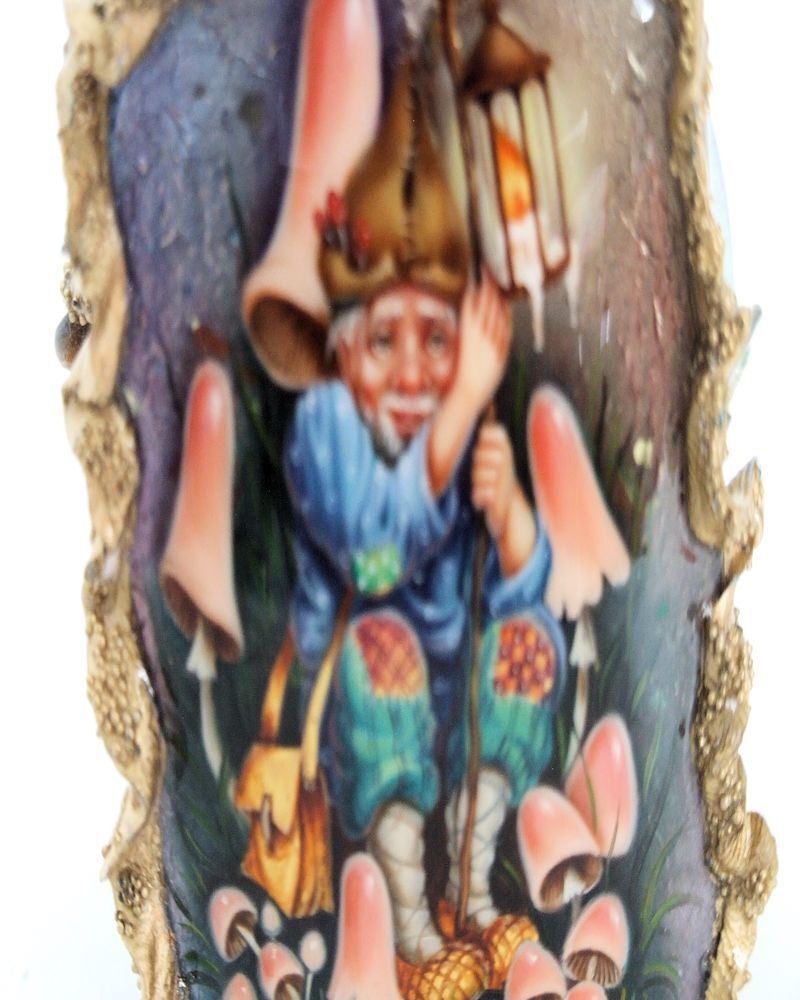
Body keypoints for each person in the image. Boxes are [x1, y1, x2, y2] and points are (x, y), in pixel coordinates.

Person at [244, 62, 565, 968]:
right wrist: (460, 409)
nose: (417, 372)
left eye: (438, 340)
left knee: (530, 642)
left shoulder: (460, 430)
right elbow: (375, 561)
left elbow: (514, 594)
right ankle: (410, 917)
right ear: (345, 352)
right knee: (383, 649)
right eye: (385, 341)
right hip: (365, 699)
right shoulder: (327, 426)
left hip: (454, 691)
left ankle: (473, 876)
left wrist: (513, 524)